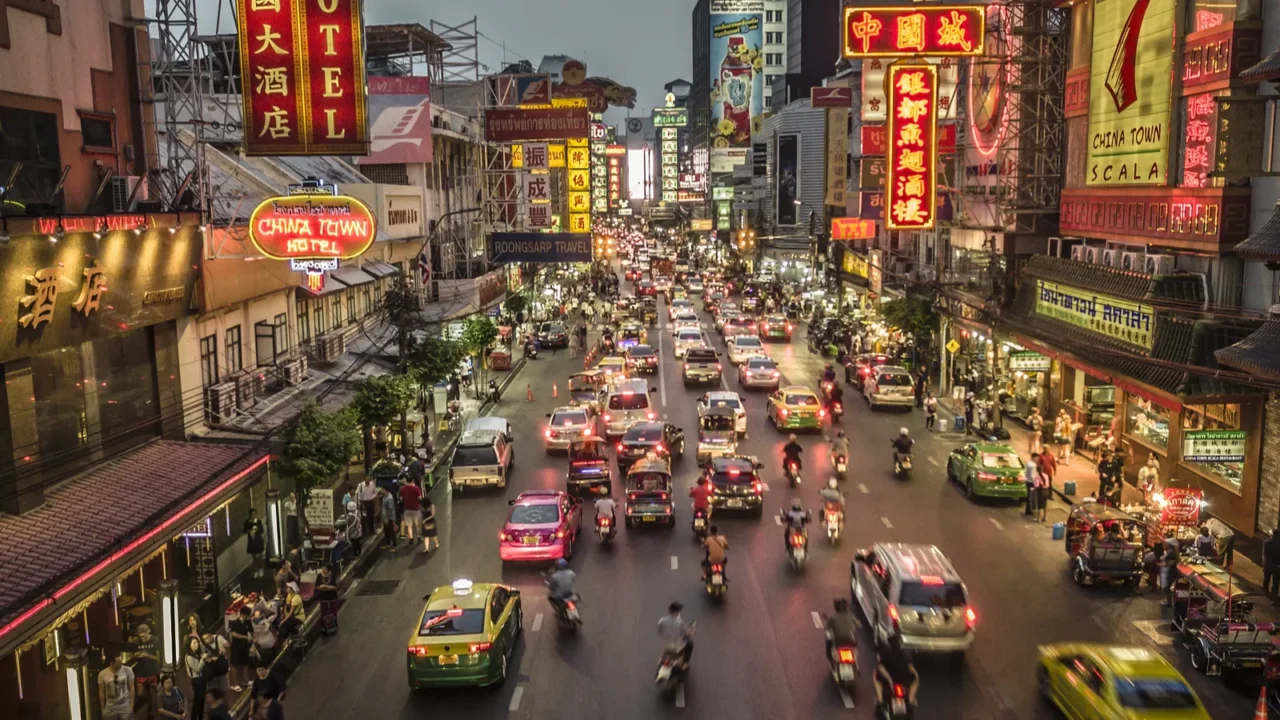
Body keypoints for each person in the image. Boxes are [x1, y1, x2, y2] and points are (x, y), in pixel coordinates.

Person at [874, 635, 920, 710]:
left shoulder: (886, 653)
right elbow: (911, 668)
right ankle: (911, 700)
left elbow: (881, 667)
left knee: (877, 678)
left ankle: (880, 700)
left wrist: (889, 679)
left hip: (891, 678)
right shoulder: (905, 653)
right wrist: (916, 676)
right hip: (905, 678)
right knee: (915, 681)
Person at [99, 649, 136, 720]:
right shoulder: (102, 674)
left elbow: (132, 688)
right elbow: (101, 692)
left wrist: (132, 705)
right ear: (111, 663)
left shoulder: (128, 670)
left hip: (125, 707)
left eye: (121, 660)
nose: (121, 663)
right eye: (118, 662)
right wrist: (103, 709)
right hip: (110, 708)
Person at [657, 602, 696, 667]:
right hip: (676, 647)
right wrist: (693, 629)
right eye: (679, 611)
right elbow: (690, 633)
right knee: (690, 644)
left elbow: (659, 630)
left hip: (666, 645)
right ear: (676, 612)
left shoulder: (662, 620)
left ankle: (663, 658)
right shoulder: (680, 622)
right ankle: (685, 663)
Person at [227, 606, 253, 692]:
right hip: (236, 646)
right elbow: (234, 634)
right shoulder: (234, 623)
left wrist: (254, 638)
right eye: (246, 615)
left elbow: (251, 631)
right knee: (235, 665)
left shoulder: (248, 622)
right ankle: (235, 684)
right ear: (242, 614)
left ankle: (245, 681)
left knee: (245, 663)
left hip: (244, 646)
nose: (247, 617)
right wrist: (245, 637)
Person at [184, 638, 206, 720]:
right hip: (196, 681)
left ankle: (201, 717)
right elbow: (197, 669)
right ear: (189, 645)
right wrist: (203, 659)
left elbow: (206, 652)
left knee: (202, 700)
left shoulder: (198, 653)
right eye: (194, 643)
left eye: (197, 642)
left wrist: (201, 645)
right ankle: (194, 717)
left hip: (202, 679)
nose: (196, 644)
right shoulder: (189, 657)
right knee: (197, 701)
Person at [399, 478, 423, 543]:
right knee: (418, 525)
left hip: (407, 510)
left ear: (407, 481)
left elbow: (401, 499)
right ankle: (418, 538)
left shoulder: (402, 489)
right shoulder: (416, 488)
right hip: (415, 509)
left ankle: (411, 539)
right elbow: (420, 498)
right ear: (412, 481)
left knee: (409, 526)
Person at [244, 509, 266, 578]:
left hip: (258, 540)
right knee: (254, 557)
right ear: (250, 515)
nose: (253, 516)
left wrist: (257, 529)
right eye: (252, 514)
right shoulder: (247, 522)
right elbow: (244, 531)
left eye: (254, 514)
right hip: (252, 541)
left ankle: (260, 569)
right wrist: (249, 530)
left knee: (259, 556)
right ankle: (255, 571)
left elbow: (262, 530)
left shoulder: (258, 521)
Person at [1263, 530, 1280, 599]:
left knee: (1266, 580)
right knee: (1275, 583)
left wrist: (1264, 566)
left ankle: (1264, 594)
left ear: (1272, 535)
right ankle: (1274, 598)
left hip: (1268, 565)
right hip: (1277, 566)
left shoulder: (1266, 543)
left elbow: (1265, 556)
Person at [1024, 452, 1041, 516]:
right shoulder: (1033, 465)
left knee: (1029, 496)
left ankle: (1028, 509)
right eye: (1037, 458)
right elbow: (1033, 476)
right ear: (1034, 457)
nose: (1037, 460)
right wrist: (1036, 483)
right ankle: (1029, 510)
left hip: (1028, 481)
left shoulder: (1028, 463)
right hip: (1031, 483)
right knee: (1031, 497)